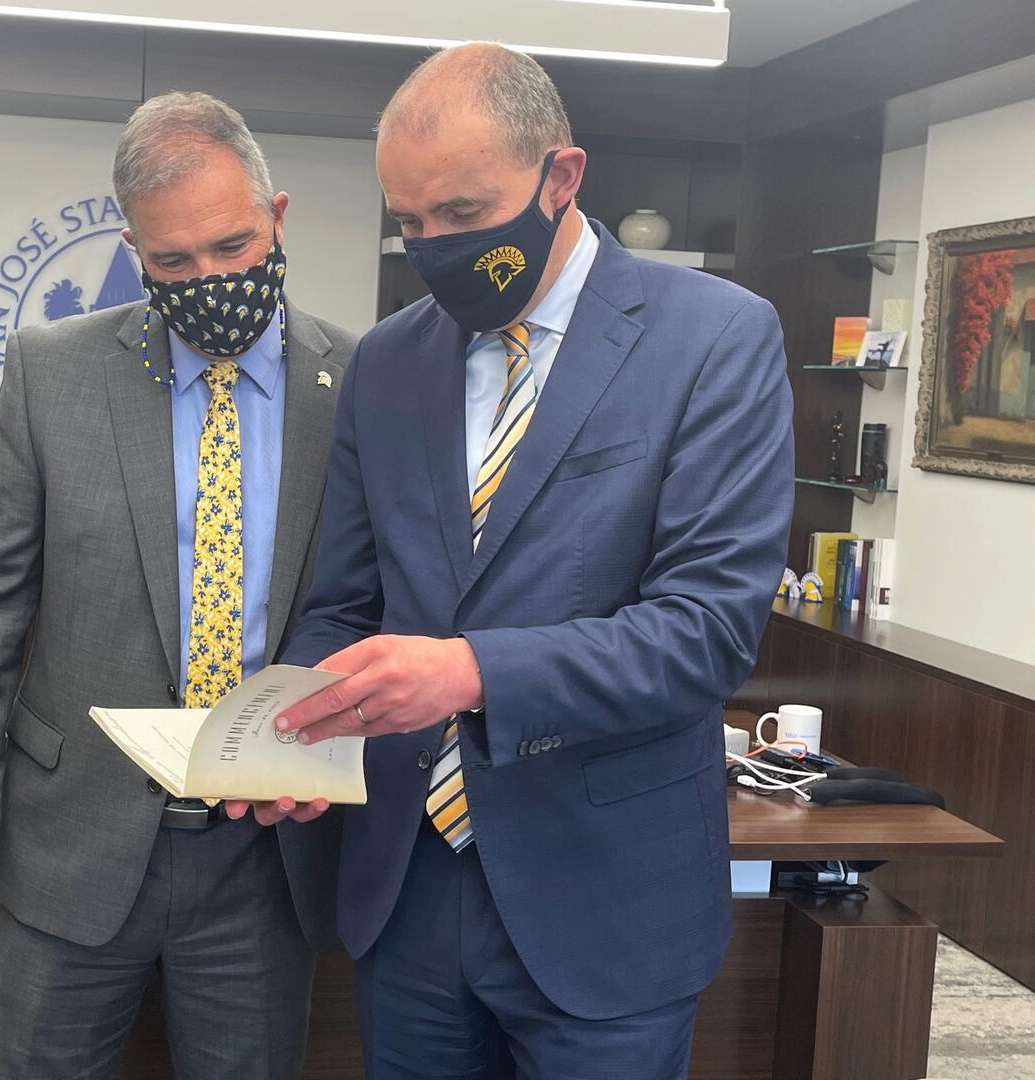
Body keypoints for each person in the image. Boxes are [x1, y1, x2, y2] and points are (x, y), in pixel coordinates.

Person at [267, 43, 794, 1080]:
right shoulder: (387, 361)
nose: (434, 247)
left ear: (562, 177)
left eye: (463, 214)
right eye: (411, 222)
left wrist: (470, 672)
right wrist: (294, 728)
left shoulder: (714, 339)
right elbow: (345, 601)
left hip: (607, 903)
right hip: (408, 892)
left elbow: (706, 631)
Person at [0, 91, 356, 1080]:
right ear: (134, 250)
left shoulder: (361, 384)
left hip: (265, 861)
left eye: (233, 246)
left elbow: (375, 603)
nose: (211, 279)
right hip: (71, 841)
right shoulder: (52, 372)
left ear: (278, 218)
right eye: (174, 261)